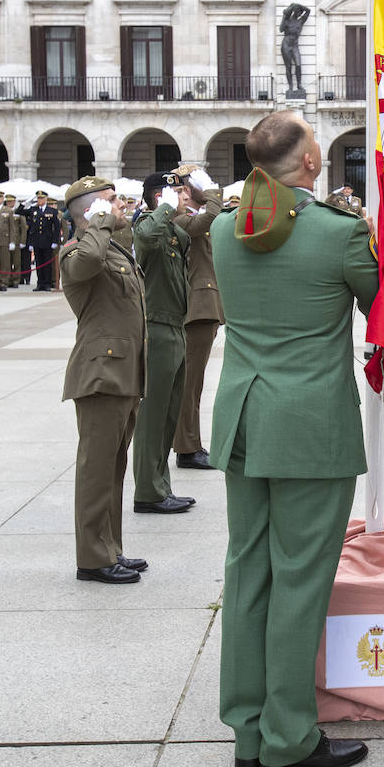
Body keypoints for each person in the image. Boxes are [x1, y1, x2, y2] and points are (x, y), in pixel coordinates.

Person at [212, 111, 374, 767]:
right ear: (310, 162)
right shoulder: (337, 236)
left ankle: (248, 733)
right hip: (308, 426)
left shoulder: (226, 228)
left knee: (248, 573)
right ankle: (289, 739)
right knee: (301, 580)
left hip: (242, 416)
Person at [60, 176, 148, 585]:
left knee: (114, 468)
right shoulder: (77, 252)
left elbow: (132, 234)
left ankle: (111, 548)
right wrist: (96, 222)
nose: (121, 205)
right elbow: (87, 264)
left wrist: (109, 219)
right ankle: (92, 558)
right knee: (96, 471)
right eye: (111, 201)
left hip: (124, 371)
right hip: (101, 374)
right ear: (91, 211)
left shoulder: (111, 246)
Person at [130, 170, 196, 516]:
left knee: (168, 416)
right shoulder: (148, 225)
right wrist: (164, 210)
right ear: (160, 198)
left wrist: (184, 205)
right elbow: (145, 240)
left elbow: (194, 231)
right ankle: (148, 491)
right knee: (153, 417)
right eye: (177, 193)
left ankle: (159, 486)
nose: (184, 197)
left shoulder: (173, 230)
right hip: (156, 328)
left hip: (176, 327)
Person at [173, 167, 224, 471]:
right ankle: (187, 446)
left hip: (206, 305)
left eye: (183, 190)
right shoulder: (179, 218)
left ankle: (187, 443)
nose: (181, 196)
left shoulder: (193, 216)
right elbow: (210, 219)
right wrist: (212, 191)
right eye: (180, 191)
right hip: (196, 307)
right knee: (190, 382)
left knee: (193, 382)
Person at [19, 190, 64, 291]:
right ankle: (40, 283)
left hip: (47, 241)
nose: (40, 200)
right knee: (38, 264)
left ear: (45, 199)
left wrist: (55, 241)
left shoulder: (52, 211)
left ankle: (47, 283)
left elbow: (56, 228)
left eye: (41, 198)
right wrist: (26, 202)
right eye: (38, 198)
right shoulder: (33, 210)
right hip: (37, 241)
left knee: (47, 264)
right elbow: (19, 212)